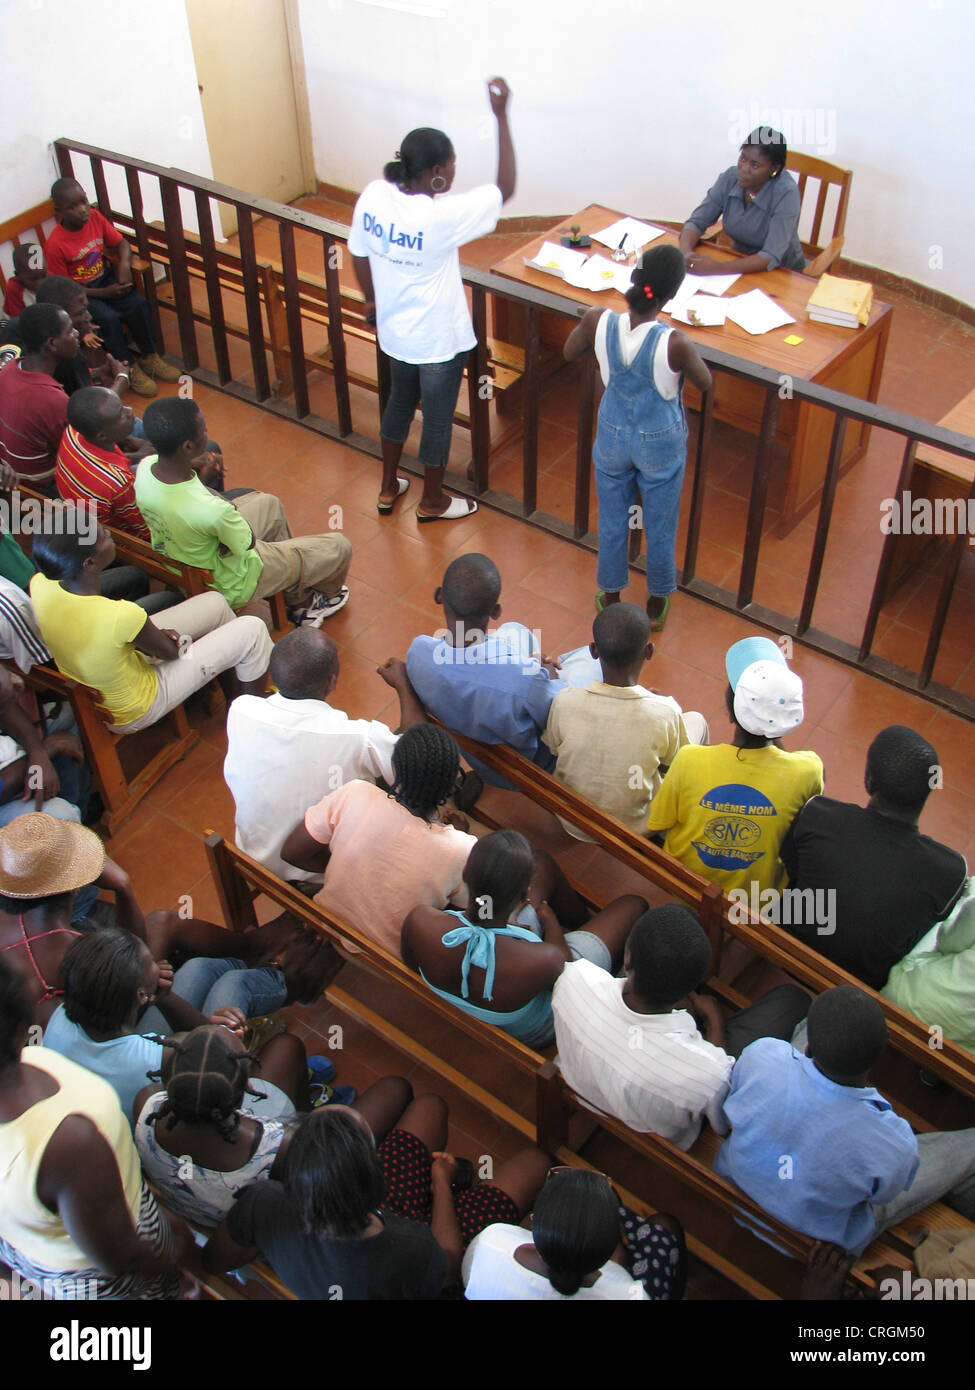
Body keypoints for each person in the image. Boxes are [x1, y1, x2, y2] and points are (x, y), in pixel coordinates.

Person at [203, 1076, 550, 1297]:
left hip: (376, 1224)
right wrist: (440, 1184)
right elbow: (447, 1261)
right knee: (536, 1162)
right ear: (376, 1173)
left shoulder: (264, 1202)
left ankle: (452, 1181)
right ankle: (452, 1183)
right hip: (433, 1247)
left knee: (429, 1107)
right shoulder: (409, 1247)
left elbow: (214, 1259)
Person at [348, 77, 515, 520]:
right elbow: (506, 188)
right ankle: (432, 500)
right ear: (435, 171)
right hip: (438, 341)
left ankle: (388, 488)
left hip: (395, 334)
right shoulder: (441, 216)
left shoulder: (374, 195)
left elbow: (358, 251)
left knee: (399, 404)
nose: (456, 174)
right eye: (452, 166)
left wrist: (370, 301)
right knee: (437, 420)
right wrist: (500, 116)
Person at [714, 985, 975, 1254]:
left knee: (817, 1023)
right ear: (879, 1056)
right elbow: (883, 1195)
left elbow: (726, 1114)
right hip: (817, 1242)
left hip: (733, 1185)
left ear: (810, 1049)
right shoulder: (894, 1142)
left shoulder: (762, 1056)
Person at [0, 956, 190, 1299]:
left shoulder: (32, 1066)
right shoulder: (68, 1143)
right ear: (16, 1023)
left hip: (36, 1248)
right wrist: (170, 1257)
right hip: (105, 1267)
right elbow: (123, 1258)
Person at [552, 902, 811, 1146]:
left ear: (628, 959)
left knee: (677, 915)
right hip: (666, 1131)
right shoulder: (710, 1074)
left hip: (581, 1087)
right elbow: (721, 1119)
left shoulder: (573, 979)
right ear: (689, 992)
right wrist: (715, 1022)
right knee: (793, 999)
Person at [564, 246, 711, 627]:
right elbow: (705, 381)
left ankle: (611, 595)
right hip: (658, 444)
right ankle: (657, 602)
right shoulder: (675, 343)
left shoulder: (599, 320)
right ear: (672, 295)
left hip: (613, 437)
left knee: (613, 520)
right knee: (659, 524)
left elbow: (568, 352)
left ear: (634, 279)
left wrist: (592, 334)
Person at [30, 505, 272, 733]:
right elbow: (171, 652)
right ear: (89, 563)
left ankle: (236, 701)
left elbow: (137, 640)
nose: (108, 532)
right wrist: (168, 640)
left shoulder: (39, 584)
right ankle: (251, 723)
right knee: (254, 629)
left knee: (216, 603)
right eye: (101, 534)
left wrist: (158, 640)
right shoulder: (118, 615)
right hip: (136, 706)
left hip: (107, 676)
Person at [43, 929, 318, 1126]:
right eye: (150, 961)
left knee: (198, 969)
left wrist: (163, 996)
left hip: (116, 1084)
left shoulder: (60, 1018)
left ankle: (268, 969)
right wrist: (225, 1034)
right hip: (196, 1104)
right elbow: (218, 1054)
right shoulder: (151, 1057)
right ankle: (292, 979)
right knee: (235, 989)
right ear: (140, 996)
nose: (158, 963)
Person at [402, 829, 647, 1048]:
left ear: (465, 873)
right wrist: (550, 923)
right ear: (525, 895)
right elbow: (567, 971)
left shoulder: (420, 921)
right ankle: (585, 930)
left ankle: (581, 926)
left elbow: (415, 965)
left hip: (498, 971)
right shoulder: (545, 959)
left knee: (542, 863)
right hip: (532, 1029)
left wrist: (504, 933)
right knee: (634, 905)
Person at [224, 630, 425, 882]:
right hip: (320, 870)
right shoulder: (359, 738)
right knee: (402, 774)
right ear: (332, 681)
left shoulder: (241, 710)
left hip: (255, 857)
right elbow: (420, 759)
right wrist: (404, 686)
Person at [781, 725, 967, 990]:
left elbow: (791, 866)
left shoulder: (817, 814)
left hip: (790, 946)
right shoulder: (951, 871)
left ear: (868, 781)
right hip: (866, 984)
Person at [136, 397, 352, 626]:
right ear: (188, 447)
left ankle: (298, 599)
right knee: (339, 546)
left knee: (270, 504)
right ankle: (307, 605)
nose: (207, 430)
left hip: (184, 560)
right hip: (233, 579)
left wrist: (196, 475)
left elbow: (192, 500)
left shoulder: (145, 468)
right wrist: (214, 497)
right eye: (202, 428)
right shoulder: (212, 510)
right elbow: (247, 542)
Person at [648, 636, 823, 896]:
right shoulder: (809, 770)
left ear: (730, 712)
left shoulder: (689, 759)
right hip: (757, 903)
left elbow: (659, 822)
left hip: (685, 887)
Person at [281, 723, 476, 957]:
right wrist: (459, 838)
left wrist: (351, 867)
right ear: (450, 785)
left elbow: (292, 852)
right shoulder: (462, 850)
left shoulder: (355, 793)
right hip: (394, 959)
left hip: (329, 925)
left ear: (394, 768)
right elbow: (470, 909)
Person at [132, 1024, 325, 1229]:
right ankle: (309, 1113)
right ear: (245, 1094)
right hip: (235, 1230)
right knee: (287, 1045)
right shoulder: (280, 1146)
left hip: (180, 1209)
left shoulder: (147, 1103)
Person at [543, 602, 707, 837]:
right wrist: (659, 705)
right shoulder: (666, 711)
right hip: (635, 828)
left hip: (573, 820)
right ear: (648, 651)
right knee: (697, 721)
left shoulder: (564, 701)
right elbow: (676, 760)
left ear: (593, 651)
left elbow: (555, 748)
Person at [406, 552, 565, 788]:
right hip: (527, 770)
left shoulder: (418, 653)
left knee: (514, 631)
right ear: (495, 611)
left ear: (439, 596)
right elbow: (557, 715)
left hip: (480, 760)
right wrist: (549, 675)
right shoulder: (527, 682)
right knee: (581, 664)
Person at [43, 178, 180, 397]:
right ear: (59, 211)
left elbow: (121, 243)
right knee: (108, 319)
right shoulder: (56, 244)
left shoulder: (95, 217)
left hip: (105, 279)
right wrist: (102, 293)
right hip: (82, 294)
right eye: (72, 207)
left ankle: (149, 355)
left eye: (83, 201)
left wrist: (124, 266)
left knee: (137, 304)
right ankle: (128, 366)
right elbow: (63, 288)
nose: (82, 210)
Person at [463, 1168, 683, 1301]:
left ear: (534, 1219)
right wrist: (619, 1262)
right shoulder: (626, 1291)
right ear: (606, 1257)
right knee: (666, 1227)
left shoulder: (492, 1241)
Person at [679, 127, 805, 275]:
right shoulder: (730, 178)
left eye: (755, 165)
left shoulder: (786, 193)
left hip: (781, 271)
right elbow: (696, 222)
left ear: (774, 169)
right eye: (743, 158)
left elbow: (770, 256)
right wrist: (685, 255)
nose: (744, 168)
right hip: (737, 261)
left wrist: (717, 268)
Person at [883, 883, 975, 1056]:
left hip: (908, 1002)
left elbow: (948, 943)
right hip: (964, 1054)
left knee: (938, 921)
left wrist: (964, 902)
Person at [56, 386, 151, 537]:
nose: (130, 410)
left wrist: (134, 446)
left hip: (83, 500)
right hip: (117, 535)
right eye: (121, 414)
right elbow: (146, 530)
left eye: (123, 405)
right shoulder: (119, 482)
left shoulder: (72, 432)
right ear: (101, 436)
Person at [0, 303, 78, 488]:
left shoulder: (9, 368)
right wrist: (121, 379)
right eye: (70, 331)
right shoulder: (53, 400)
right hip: (45, 484)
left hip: (14, 471)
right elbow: (81, 450)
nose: (76, 333)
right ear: (52, 343)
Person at [0, 665, 88, 828]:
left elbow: (4, 705)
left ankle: (78, 806)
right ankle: (72, 822)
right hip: (4, 793)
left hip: (13, 759)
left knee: (69, 715)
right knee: (61, 814)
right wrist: (46, 751)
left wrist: (37, 752)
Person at [2, 243, 45, 317]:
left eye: (44, 276)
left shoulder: (51, 278)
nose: (40, 283)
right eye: (33, 279)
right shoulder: (13, 289)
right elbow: (19, 322)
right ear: (17, 276)